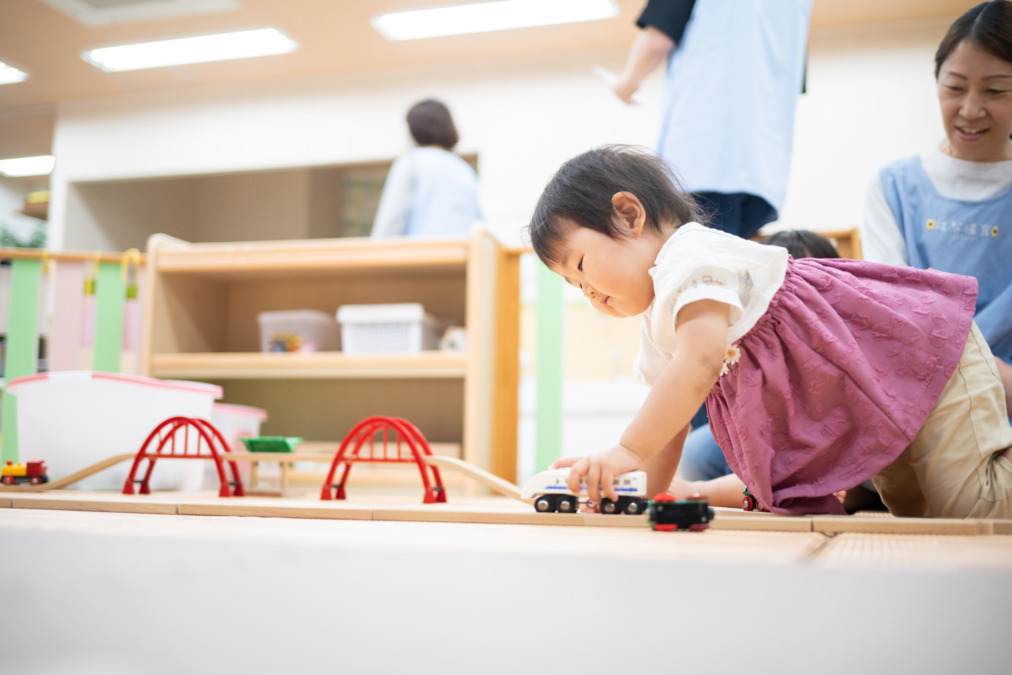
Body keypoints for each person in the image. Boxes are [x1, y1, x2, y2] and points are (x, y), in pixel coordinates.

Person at [526, 145, 1012, 518]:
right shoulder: (661, 326)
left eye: (583, 267)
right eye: (574, 285)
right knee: (918, 512)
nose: (588, 292)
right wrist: (641, 493)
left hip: (918, 352)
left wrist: (626, 450)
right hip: (878, 396)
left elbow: (699, 364)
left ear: (629, 215)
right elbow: (671, 421)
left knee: (974, 508)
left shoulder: (692, 256)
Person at [861, 0, 1012, 416]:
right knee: (702, 455)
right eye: (955, 87)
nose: (970, 109)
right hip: (922, 397)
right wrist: (984, 374)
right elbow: (890, 317)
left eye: (996, 90)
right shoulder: (893, 186)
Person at [612, 0, 812, 242]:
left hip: (705, 156)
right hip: (764, 174)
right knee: (728, 264)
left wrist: (627, 81)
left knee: (703, 269)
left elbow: (658, 38)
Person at [371, 99, 481, 238]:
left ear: (414, 129)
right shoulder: (465, 170)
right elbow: (478, 222)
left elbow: (391, 222)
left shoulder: (411, 162)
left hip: (422, 257)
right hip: (463, 257)